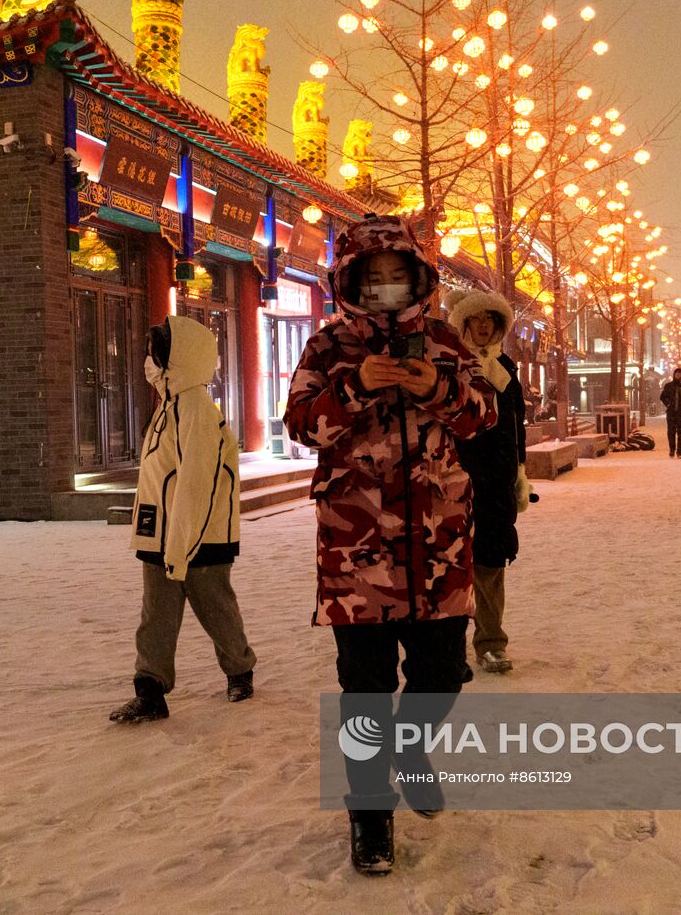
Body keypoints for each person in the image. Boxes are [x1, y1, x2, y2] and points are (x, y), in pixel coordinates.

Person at [284, 215, 496, 877]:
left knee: (441, 673)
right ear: (350, 281)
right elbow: (300, 424)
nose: (383, 287)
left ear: (416, 277)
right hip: (358, 554)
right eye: (369, 278)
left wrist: (437, 387)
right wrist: (356, 387)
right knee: (365, 691)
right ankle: (369, 813)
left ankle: (412, 747)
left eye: (394, 275)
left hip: (437, 548)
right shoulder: (326, 346)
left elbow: (483, 415)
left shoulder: (443, 340)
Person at [110, 315, 257, 724]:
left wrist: (183, 542)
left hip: (199, 534)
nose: (147, 362)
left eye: (154, 355)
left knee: (214, 607)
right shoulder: (169, 406)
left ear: (176, 360)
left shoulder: (193, 408)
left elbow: (196, 480)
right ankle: (150, 689)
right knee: (156, 613)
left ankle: (240, 670)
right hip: (160, 534)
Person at [446, 287, 531, 676]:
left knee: (491, 562)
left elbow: (517, 426)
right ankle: (447, 650)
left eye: (489, 322)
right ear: (463, 324)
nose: (482, 328)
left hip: (496, 480)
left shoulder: (507, 369)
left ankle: (491, 642)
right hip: (453, 478)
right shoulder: (449, 366)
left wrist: (519, 472)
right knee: (450, 565)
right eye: (475, 321)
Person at [660, 368, 681, 458]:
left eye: (680, 373)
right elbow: (662, 397)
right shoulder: (668, 386)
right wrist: (668, 404)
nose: (678, 375)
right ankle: (672, 449)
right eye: (676, 373)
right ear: (674, 374)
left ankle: (680, 452)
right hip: (671, 413)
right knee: (671, 432)